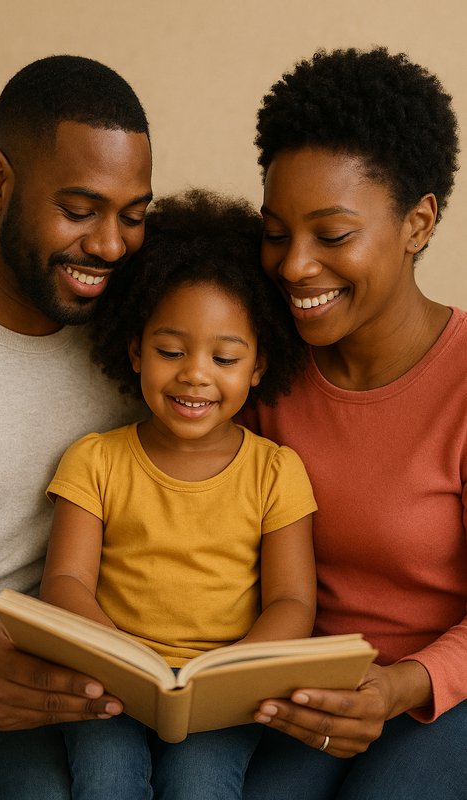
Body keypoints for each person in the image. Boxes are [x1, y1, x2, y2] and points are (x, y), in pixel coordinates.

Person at [236, 47, 467, 799]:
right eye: (275, 232)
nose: (295, 265)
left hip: (442, 685)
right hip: (312, 686)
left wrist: (398, 688)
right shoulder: (260, 366)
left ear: (417, 220)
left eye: (331, 236)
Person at [39, 189, 318, 800]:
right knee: (107, 782)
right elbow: (64, 585)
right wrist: (124, 663)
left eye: (224, 357)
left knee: (199, 787)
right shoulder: (96, 460)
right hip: (109, 679)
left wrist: (227, 672)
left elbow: (294, 602)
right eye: (171, 351)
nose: (195, 373)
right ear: (136, 350)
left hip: (222, 692)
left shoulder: (277, 472)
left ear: (259, 365)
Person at [0, 55, 153, 799]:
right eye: (80, 208)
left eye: (132, 215)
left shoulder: (135, 346)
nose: (111, 246)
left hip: (97, 671)